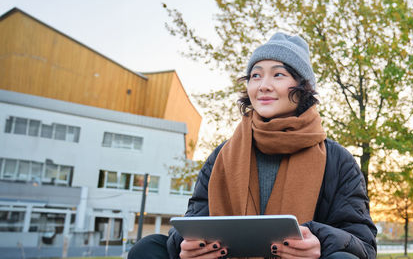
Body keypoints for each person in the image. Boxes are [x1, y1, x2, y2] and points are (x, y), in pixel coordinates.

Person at [128, 32, 377, 259]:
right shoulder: (222, 155)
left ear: (303, 89)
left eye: (278, 74)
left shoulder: (337, 160)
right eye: (255, 75)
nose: (263, 85)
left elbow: (363, 245)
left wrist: (319, 241)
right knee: (147, 249)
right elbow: (195, 221)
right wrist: (187, 245)